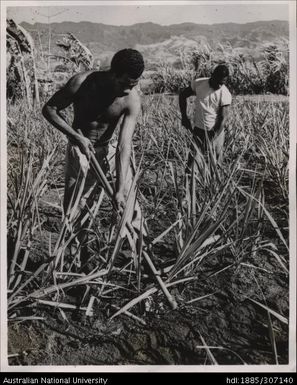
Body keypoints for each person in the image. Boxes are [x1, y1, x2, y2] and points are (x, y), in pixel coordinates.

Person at [42, 49, 145, 243]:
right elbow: (49, 109)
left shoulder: (131, 99)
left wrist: (120, 188)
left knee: (128, 203)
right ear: (113, 73)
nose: (127, 90)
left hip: (109, 149)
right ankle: (74, 255)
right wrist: (76, 137)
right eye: (124, 83)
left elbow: (124, 145)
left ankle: (133, 249)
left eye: (133, 84)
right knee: (76, 208)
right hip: (79, 151)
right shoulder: (81, 83)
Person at [179, 64, 232, 167]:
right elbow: (183, 95)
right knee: (192, 164)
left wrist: (212, 137)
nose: (219, 86)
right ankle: (190, 182)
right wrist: (184, 118)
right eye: (218, 82)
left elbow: (222, 119)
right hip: (199, 130)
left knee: (216, 166)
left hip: (216, 131)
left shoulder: (225, 93)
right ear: (212, 75)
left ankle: (214, 182)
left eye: (222, 83)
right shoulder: (199, 83)